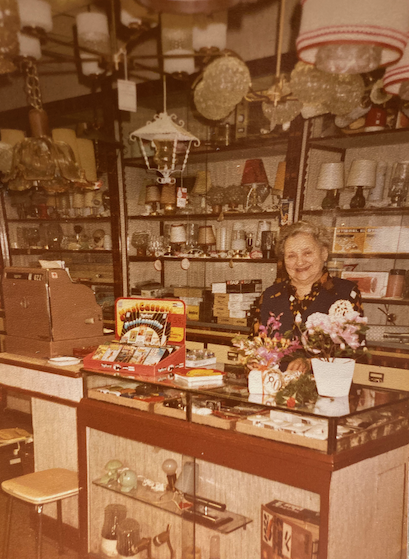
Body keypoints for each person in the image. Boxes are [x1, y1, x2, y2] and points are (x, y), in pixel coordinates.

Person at [254, 221, 363, 372]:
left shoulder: (345, 293)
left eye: (307, 253)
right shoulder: (271, 295)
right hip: (275, 382)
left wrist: (311, 363)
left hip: (325, 383)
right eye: (291, 255)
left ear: (324, 253)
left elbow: (354, 350)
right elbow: (256, 346)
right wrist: (253, 361)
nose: (299, 262)